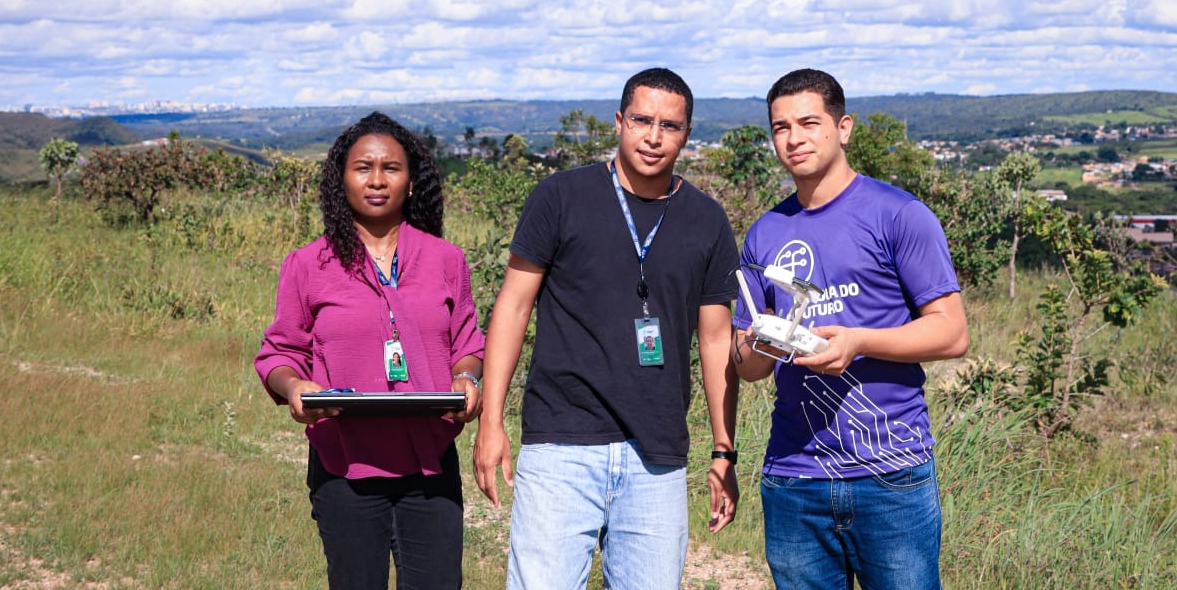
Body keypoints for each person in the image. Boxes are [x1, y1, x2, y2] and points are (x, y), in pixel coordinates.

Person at [473, 67, 741, 590]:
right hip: (560, 445)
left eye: (670, 125)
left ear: (687, 134)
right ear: (619, 121)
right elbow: (513, 306)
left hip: (657, 456)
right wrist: (491, 420)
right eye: (642, 120)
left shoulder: (707, 220)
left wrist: (723, 448)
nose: (654, 137)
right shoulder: (560, 197)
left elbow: (715, 339)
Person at [734, 69, 969, 590]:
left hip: (890, 474)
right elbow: (748, 369)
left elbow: (952, 333)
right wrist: (761, 341)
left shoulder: (899, 214)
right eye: (780, 127)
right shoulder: (765, 233)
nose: (794, 138)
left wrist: (859, 342)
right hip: (794, 477)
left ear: (843, 128)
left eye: (808, 123)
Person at [256, 112, 486, 590]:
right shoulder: (308, 263)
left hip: (430, 464)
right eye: (363, 168)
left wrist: (467, 379)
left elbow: (467, 344)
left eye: (391, 168)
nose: (377, 180)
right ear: (341, 180)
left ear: (411, 181)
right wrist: (295, 387)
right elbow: (279, 352)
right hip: (344, 465)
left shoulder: (446, 259)